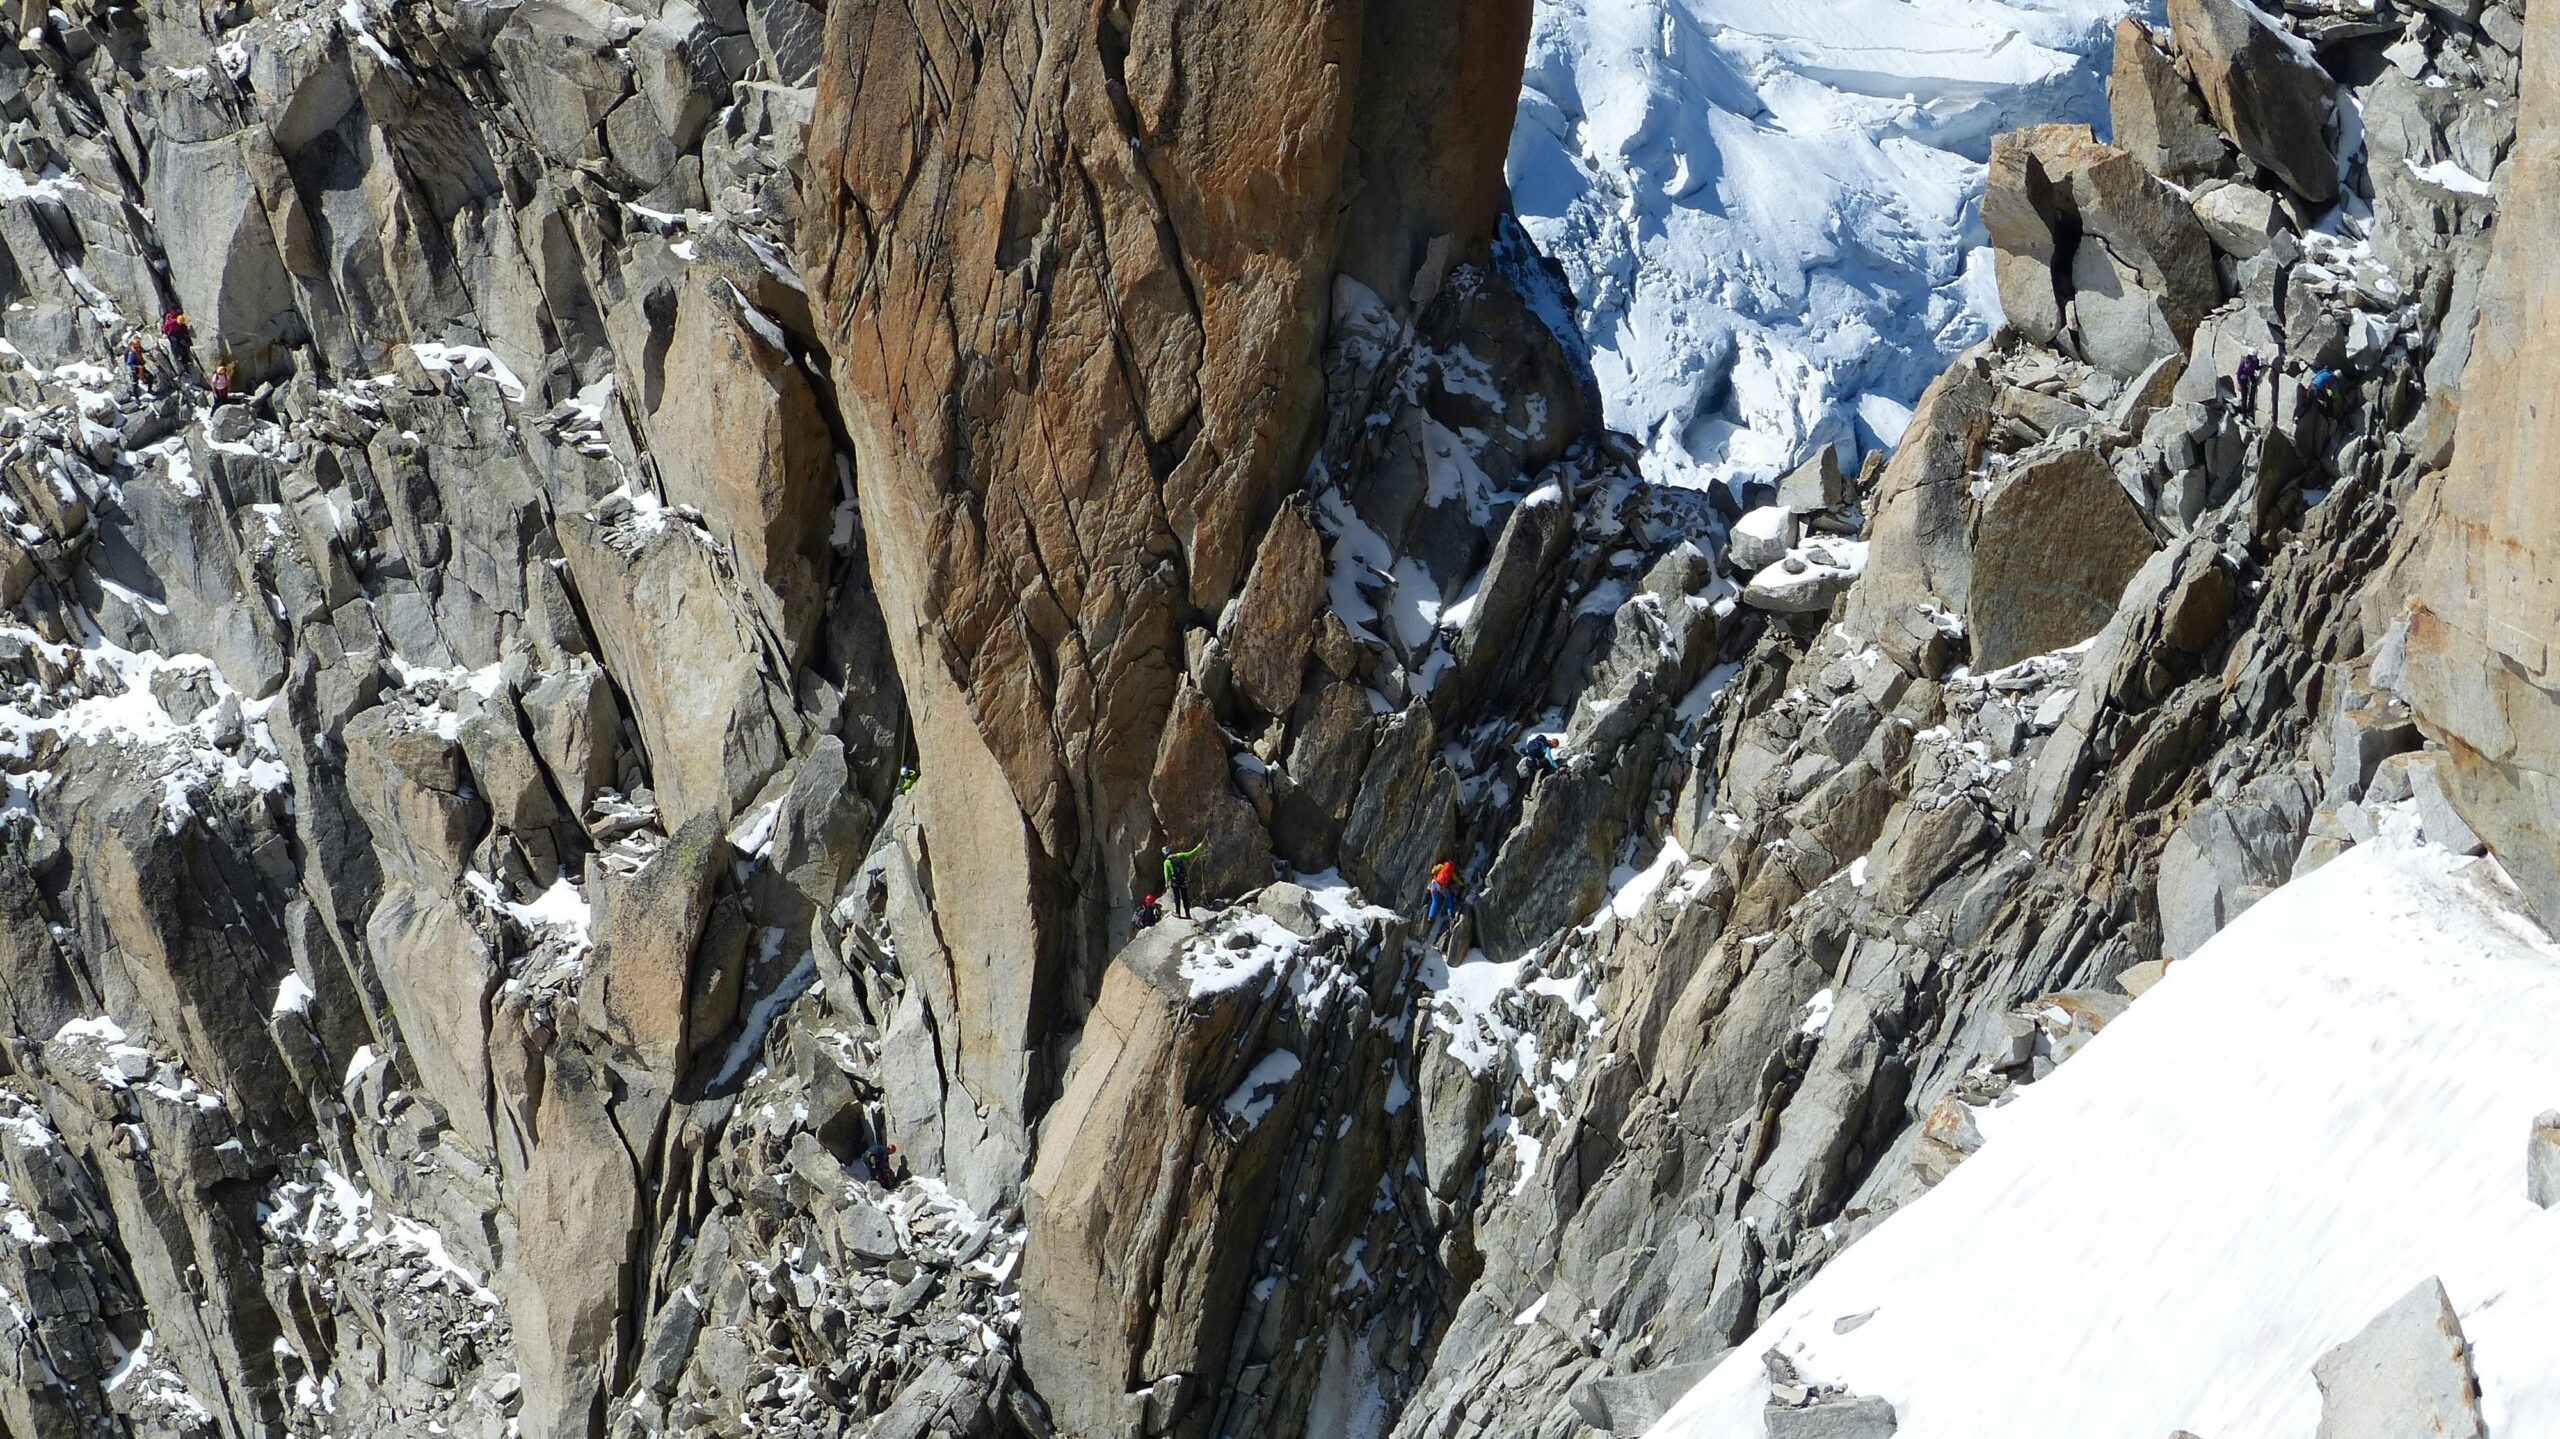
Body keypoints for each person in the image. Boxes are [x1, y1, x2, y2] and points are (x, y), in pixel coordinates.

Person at [1161, 840, 1202, 919]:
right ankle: (1187, 914)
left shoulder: (1166, 862)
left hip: (1175, 881)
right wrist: (1198, 848)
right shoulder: (1178, 855)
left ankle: (1178, 913)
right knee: (1185, 897)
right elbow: (1190, 854)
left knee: (1177, 897)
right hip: (1182, 880)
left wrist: (1166, 883)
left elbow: (1166, 873)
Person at [1425, 858, 1459, 942]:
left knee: (1435, 901)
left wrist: (1435, 867)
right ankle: (1451, 914)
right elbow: (1456, 879)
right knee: (1448, 898)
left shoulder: (1441, 866)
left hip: (1434, 885)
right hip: (1442, 887)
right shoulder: (1451, 871)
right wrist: (1462, 883)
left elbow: (1433, 871)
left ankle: (1431, 917)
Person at [160, 309, 193, 376]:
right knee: (175, 343)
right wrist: (164, 333)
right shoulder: (172, 322)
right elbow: (165, 327)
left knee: (183, 344)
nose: (180, 324)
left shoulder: (181, 324)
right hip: (172, 333)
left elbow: (182, 329)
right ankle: (177, 355)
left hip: (178, 333)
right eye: (179, 323)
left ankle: (186, 358)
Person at [2234, 350, 2263, 415]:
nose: (2255, 357)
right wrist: (2239, 383)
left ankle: (2250, 411)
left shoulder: (2256, 361)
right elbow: (2239, 373)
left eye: (2255, 356)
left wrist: (2263, 366)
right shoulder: (2244, 362)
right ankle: (2244, 415)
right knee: (2244, 398)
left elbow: (2257, 368)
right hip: (2243, 381)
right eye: (2253, 356)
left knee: (2252, 397)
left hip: (2252, 379)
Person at [120, 330, 147, 399]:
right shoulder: (131, 353)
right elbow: (129, 364)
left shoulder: (136, 348)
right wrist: (137, 366)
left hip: (139, 365)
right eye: (138, 346)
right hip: (134, 370)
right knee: (135, 384)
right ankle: (137, 399)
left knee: (150, 377)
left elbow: (142, 350)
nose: (139, 347)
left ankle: (149, 389)